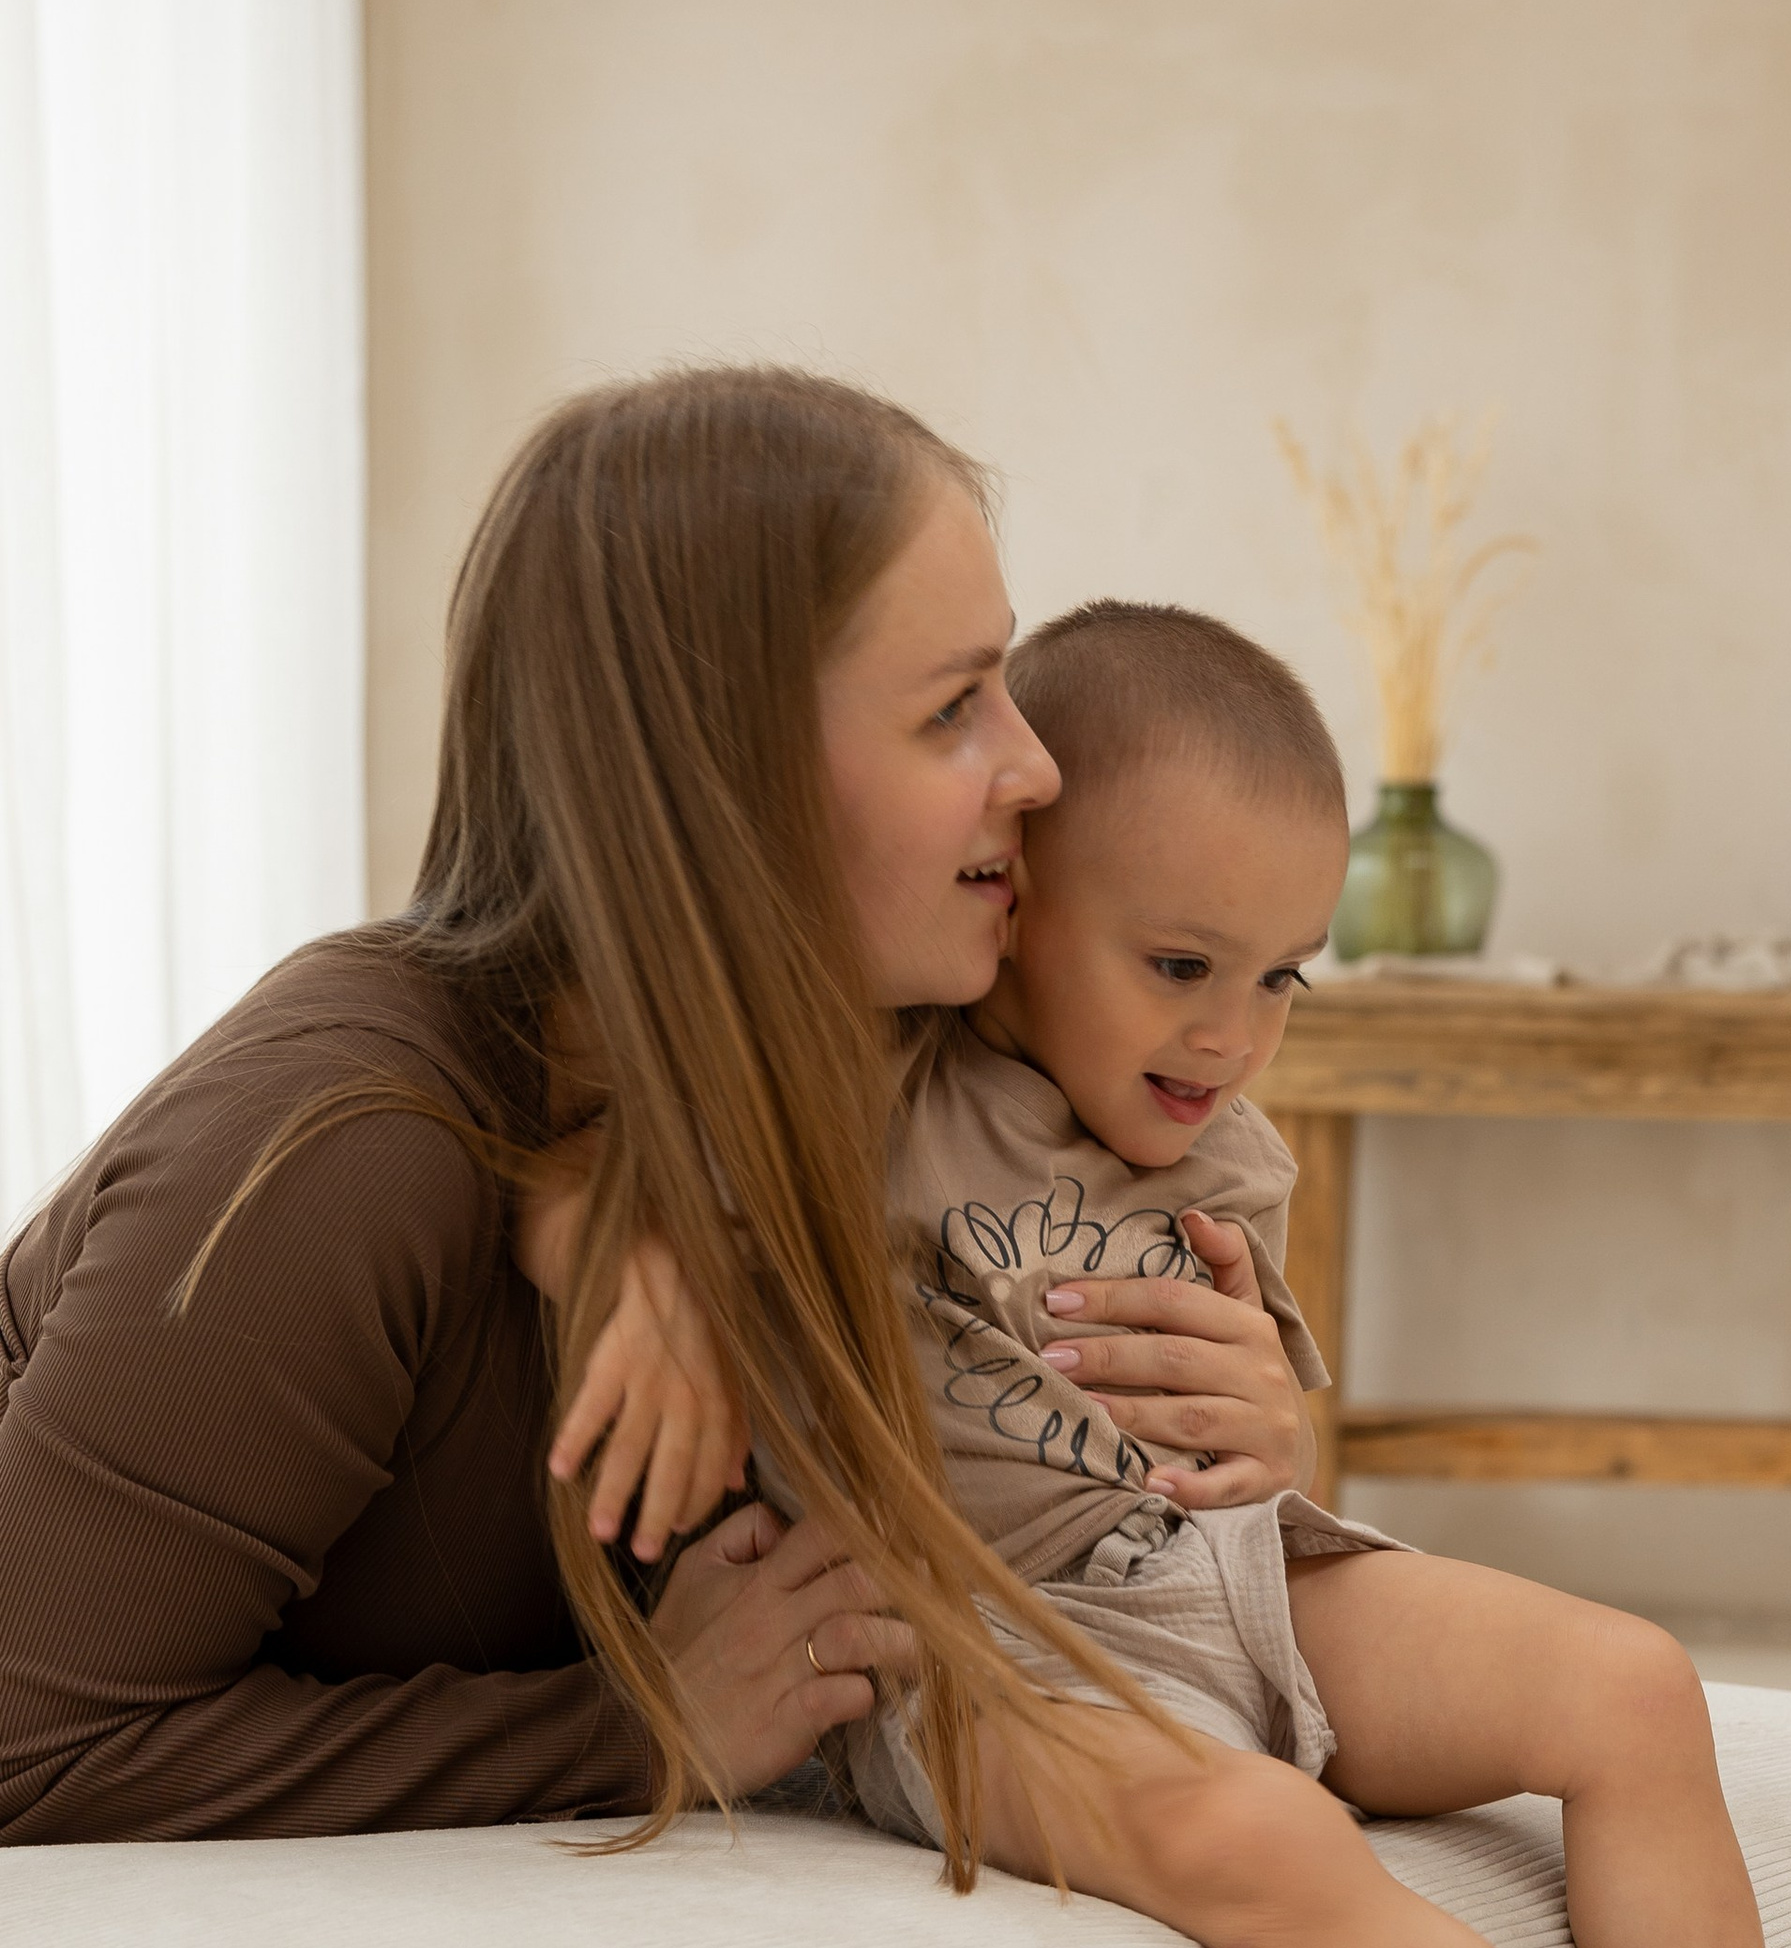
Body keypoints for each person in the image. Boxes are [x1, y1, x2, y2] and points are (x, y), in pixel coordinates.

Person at [533, 599, 1791, 1948]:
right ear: (1013, 911)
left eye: (1280, 977)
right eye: (1178, 967)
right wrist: (649, 1253)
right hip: (975, 1650)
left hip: (1225, 1572)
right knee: (1261, 1837)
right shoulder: (869, 1086)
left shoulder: (1218, 1148)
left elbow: (1255, 1407)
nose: (1233, 1036)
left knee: (1629, 1686)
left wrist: (1285, 1425)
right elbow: (576, 1112)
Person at [0, 369, 1278, 1844]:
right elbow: (30, 1741)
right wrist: (642, 1719)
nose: (1040, 768)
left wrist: (1231, 1455)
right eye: (954, 709)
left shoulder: (884, 1073)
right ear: (723, 777)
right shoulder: (340, 1156)